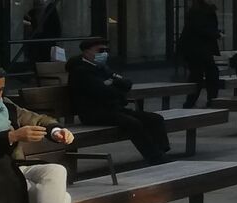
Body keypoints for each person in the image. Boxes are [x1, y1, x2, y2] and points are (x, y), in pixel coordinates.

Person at [0, 72, 95, 203]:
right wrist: (12, 136)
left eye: (1, 90)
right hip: (3, 182)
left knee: (56, 171)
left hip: (12, 172)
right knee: (62, 199)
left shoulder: (6, 107)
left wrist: (56, 131)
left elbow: (39, 119)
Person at [67, 37, 171, 165]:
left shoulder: (102, 68)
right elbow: (102, 92)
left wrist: (112, 84)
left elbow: (126, 84)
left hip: (114, 109)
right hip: (94, 113)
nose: (104, 53)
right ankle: (155, 157)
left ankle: (161, 152)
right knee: (133, 123)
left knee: (155, 119)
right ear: (87, 52)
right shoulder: (80, 71)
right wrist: (114, 86)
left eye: (106, 50)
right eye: (100, 50)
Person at [178, 0, 224, 108]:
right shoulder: (198, 11)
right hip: (196, 49)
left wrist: (216, 33)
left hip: (202, 49)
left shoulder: (206, 10)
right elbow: (199, 29)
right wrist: (216, 34)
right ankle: (199, 101)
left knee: (202, 75)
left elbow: (205, 28)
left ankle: (202, 100)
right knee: (201, 75)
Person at [21, 0, 62, 64]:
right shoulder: (32, 12)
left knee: (47, 56)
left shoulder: (50, 9)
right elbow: (27, 20)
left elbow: (56, 23)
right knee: (37, 56)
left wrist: (57, 36)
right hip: (37, 38)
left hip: (48, 37)